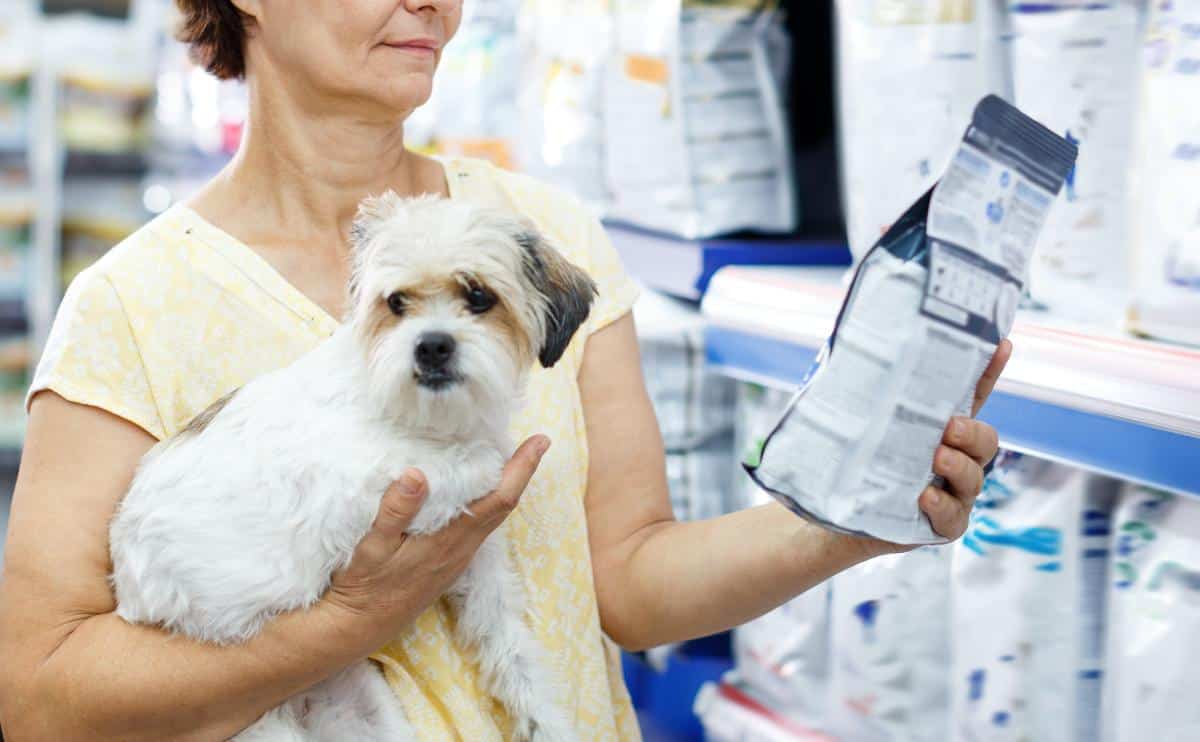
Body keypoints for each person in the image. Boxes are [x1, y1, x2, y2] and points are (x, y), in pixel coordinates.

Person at [0, 1, 1007, 739]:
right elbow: (39, 695)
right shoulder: (132, 306)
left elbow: (632, 582)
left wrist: (849, 519)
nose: (432, 3)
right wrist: (342, 625)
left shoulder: (545, 239)